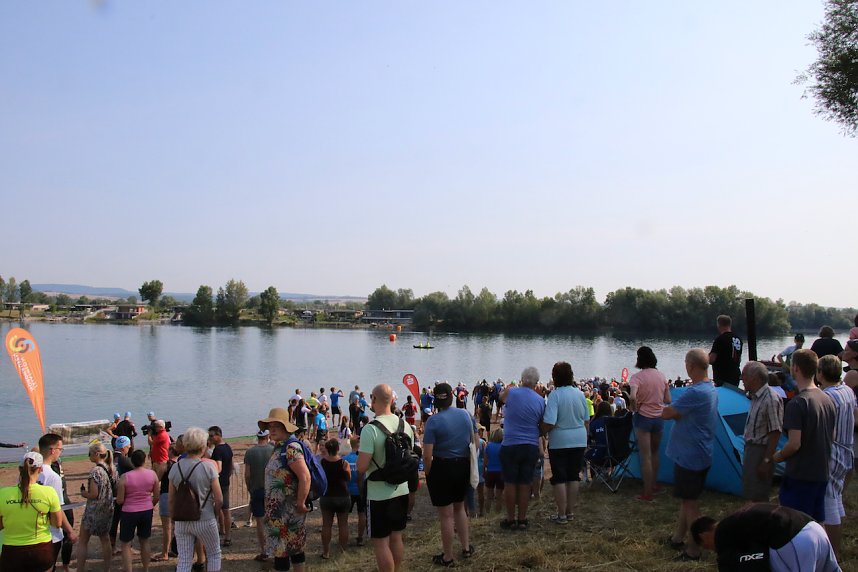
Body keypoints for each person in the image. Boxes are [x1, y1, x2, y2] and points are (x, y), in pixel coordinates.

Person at [662, 348, 718, 561]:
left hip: (690, 455)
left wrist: (657, 405)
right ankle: (678, 538)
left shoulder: (696, 392)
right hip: (699, 451)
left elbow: (668, 413)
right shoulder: (708, 388)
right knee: (687, 500)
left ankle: (695, 548)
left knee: (691, 505)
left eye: (686, 363)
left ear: (691, 366)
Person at [356, 384, 415, 572]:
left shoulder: (370, 429)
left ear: (373, 400)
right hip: (401, 489)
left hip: (378, 494)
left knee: (381, 543)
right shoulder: (405, 425)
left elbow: (361, 467)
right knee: (396, 537)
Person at [772, 349, 835, 523]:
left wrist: (776, 457)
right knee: (816, 523)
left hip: (801, 475)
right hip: (821, 472)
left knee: (795, 524)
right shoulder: (827, 398)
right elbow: (832, 434)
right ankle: (821, 551)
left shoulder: (797, 403)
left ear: (795, 369)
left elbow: (794, 444)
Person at [691, 504, 840, 572]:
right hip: (815, 529)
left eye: (706, 546)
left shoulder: (722, 535)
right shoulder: (738, 520)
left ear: (703, 536)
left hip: (795, 539)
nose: (712, 549)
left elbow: (732, 565)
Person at [423, 382, 478, 566]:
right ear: (452, 397)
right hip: (462, 465)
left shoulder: (433, 421)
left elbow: (427, 455)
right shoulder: (465, 415)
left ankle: (448, 556)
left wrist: (429, 474)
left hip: (442, 467)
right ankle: (466, 547)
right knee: (460, 508)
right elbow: (476, 443)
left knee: (446, 515)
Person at [258, 407, 311, 572]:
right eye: (270, 426)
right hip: (279, 512)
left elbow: (305, 476)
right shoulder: (279, 447)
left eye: (277, 426)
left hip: (288, 512)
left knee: (285, 552)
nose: (272, 429)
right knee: (291, 549)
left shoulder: (291, 448)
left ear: (286, 428)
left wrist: (301, 503)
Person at [816, 354, 856, 556]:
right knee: (836, 497)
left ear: (820, 373)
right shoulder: (847, 390)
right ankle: (834, 548)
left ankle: (833, 551)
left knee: (829, 501)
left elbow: (827, 431)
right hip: (847, 450)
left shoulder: (828, 396)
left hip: (833, 452)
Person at [168, 426, 223, 572]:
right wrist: (216, 514)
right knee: (213, 554)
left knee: (184, 559)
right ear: (203, 446)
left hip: (182, 520)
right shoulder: (208, 467)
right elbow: (219, 498)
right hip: (205, 517)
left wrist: (173, 518)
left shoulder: (175, 468)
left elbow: (171, 499)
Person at [497, 366, 546, 531]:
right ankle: (522, 519)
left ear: (522, 379)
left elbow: (500, 397)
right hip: (530, 445)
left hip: (510, 443)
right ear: (536, 383)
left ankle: (510, 519)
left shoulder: (512, 392)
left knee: (510, 483)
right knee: (525, 483)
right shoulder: (540, 400)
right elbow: (541, 423)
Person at [541, 361, 588, 524]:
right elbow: (586, 419)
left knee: (559, 477)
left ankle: (561, 514)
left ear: (555, 377)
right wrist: (586, 438)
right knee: (573, 476)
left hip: (560, 440)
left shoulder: (555, 395)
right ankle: (570, 512)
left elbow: (550, 422)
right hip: (579, 438)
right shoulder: (580, 394)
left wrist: (540, 432)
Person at [0, 452, 62, 572]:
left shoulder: (3, 493)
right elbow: (57, 523)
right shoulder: (49, 492)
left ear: (19, 469)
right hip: (41, 549)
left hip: (12, 551)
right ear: (40, 469)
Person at [628, 346, 671, 501]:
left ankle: (647, 493)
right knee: (655, 453)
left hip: (643, 418)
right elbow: (668, 400)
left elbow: (632, 396)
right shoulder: (661, 376)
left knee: (645, 456)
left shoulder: (636, 377)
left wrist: (634, 407)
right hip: (659, 418)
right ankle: (654, 484)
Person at [740, 361, 783, 502]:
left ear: (755, 378)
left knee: (758, 495)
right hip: (751, 449)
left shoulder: (770, 399)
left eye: (744, 376)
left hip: (761, 451)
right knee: (750, 492)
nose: (742, 379)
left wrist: (766, 460)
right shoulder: (756, 396)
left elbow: (775, 432)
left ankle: (760, 520)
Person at [36, 433, 78, 570]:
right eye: (60, 449)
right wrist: (70, 530)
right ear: (52, 450)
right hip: (50, 532)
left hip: (33, 528)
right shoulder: (52, 477)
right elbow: (58, 508)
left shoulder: (29, 472)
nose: (61, 452)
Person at [116, 449, 159, 572]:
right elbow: (156, 496)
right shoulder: (152, 474)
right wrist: (150, 504)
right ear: (144, 460)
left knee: (125, 543)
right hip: (146, 509)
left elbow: (119, 499)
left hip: (129, 511)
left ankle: (128, 570)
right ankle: (145, 569)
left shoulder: (125, 477)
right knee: (144, 541)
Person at [78, 442, 115, 572]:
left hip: (94, 510)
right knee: (105, 539)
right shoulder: (111, 468)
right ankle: (107, 568)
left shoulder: (95, 471)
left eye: (89, 454)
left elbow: (94, 494)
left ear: (96, 454)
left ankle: (80, 569)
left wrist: (84, 494)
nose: (89, 456)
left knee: (83, 540)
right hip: (107, 507)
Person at [242, 429, 273, 562]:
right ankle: (275, 548)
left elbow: (247, 474)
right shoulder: (273, 450)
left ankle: (264, 551)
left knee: (260, 521)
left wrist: (249, 488)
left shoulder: (250, 452)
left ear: (257, 436)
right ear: (268, 436)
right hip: (271, 489)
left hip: (257, 490)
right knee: (273, 519)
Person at [319, 438, 351, 559]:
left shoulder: (322, 462)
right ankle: (343, 551)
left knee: (327, 525)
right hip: (342, 495)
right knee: (343, 524)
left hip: (327, 496)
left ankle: (326, 552)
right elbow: (348, 478)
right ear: (338, 449)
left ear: (327, 449)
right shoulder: (344, 463)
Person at [207, 426, 233, 547]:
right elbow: (231, 466)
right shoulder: (227, 447)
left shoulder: (218, 450)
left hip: (218, 483)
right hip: (226, 482)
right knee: (226, 510)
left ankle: (214, 535)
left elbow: (218, 467)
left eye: (211, 436)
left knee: (215, 510)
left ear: (218, 435)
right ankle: (227, 536)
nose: (209, 438)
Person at [152, 444, 178, 563]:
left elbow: (156, 481)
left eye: (168, 449)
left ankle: (165, 552)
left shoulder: (166, 464)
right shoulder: (180, 464)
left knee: (167, 527)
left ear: (172, 451)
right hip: (178, 496)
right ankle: (175, 549)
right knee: (176, 525)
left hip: (166, 494)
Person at [110, 436, 134, 551]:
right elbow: (136, 472)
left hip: (111, 493)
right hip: (122, 494)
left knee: (113, 521)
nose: (129, 447)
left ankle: (112, 546)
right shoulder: (124, 460)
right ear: (124, 447)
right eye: (128, 446)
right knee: (125, 521)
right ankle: (127, 547)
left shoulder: (109, 458)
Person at [342, 434, 366, 547]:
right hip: (361, 490)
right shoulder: (363, 459)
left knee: (345, 516)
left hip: (348, 491)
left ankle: (344, 537)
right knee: (362, 514)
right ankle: (360, 537)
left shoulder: (345, 459)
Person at [709, 315, 742, 387]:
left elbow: (711, 359)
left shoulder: (720, 339)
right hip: (735, 376)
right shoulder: (738, 339)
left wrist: (702, 358)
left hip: (723, 377)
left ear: (718, 324)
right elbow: (739, 359)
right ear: (730, 324)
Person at [483, 428, 504, 514]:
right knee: (499, 496)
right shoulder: (503, 447)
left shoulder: (488, 446)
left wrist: (484, 470)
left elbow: (485, 461)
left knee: (489, 495)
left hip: (490, 471)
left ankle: (487, 513)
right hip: (501, 472)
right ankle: (497, 514)